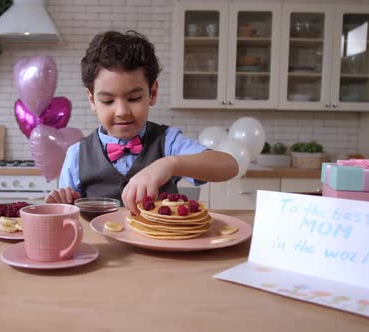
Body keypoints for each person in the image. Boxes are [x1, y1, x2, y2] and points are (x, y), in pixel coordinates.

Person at [45, 30, 238, 214]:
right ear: (92, 100)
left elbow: (229, 166)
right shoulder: (76, 155)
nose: (122, 112)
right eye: (108, 101)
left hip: (161, 246)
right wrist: (65, 205)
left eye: (134, 98)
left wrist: (168, 164)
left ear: (152, 93)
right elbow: (70, 220)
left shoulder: (168, 142)